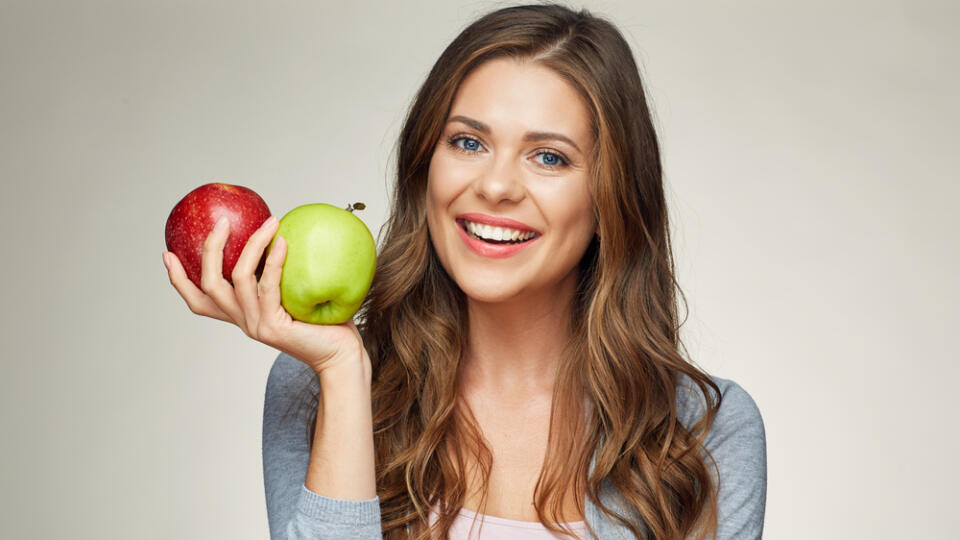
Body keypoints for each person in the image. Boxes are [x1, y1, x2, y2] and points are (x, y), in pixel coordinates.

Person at [163, 3, 766, 539]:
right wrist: (343, 373)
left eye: (549, 156)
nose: (495, 186)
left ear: (611, 200)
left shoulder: (705, 435)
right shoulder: (314, 391)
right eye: (468, 143)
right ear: (426, 166)